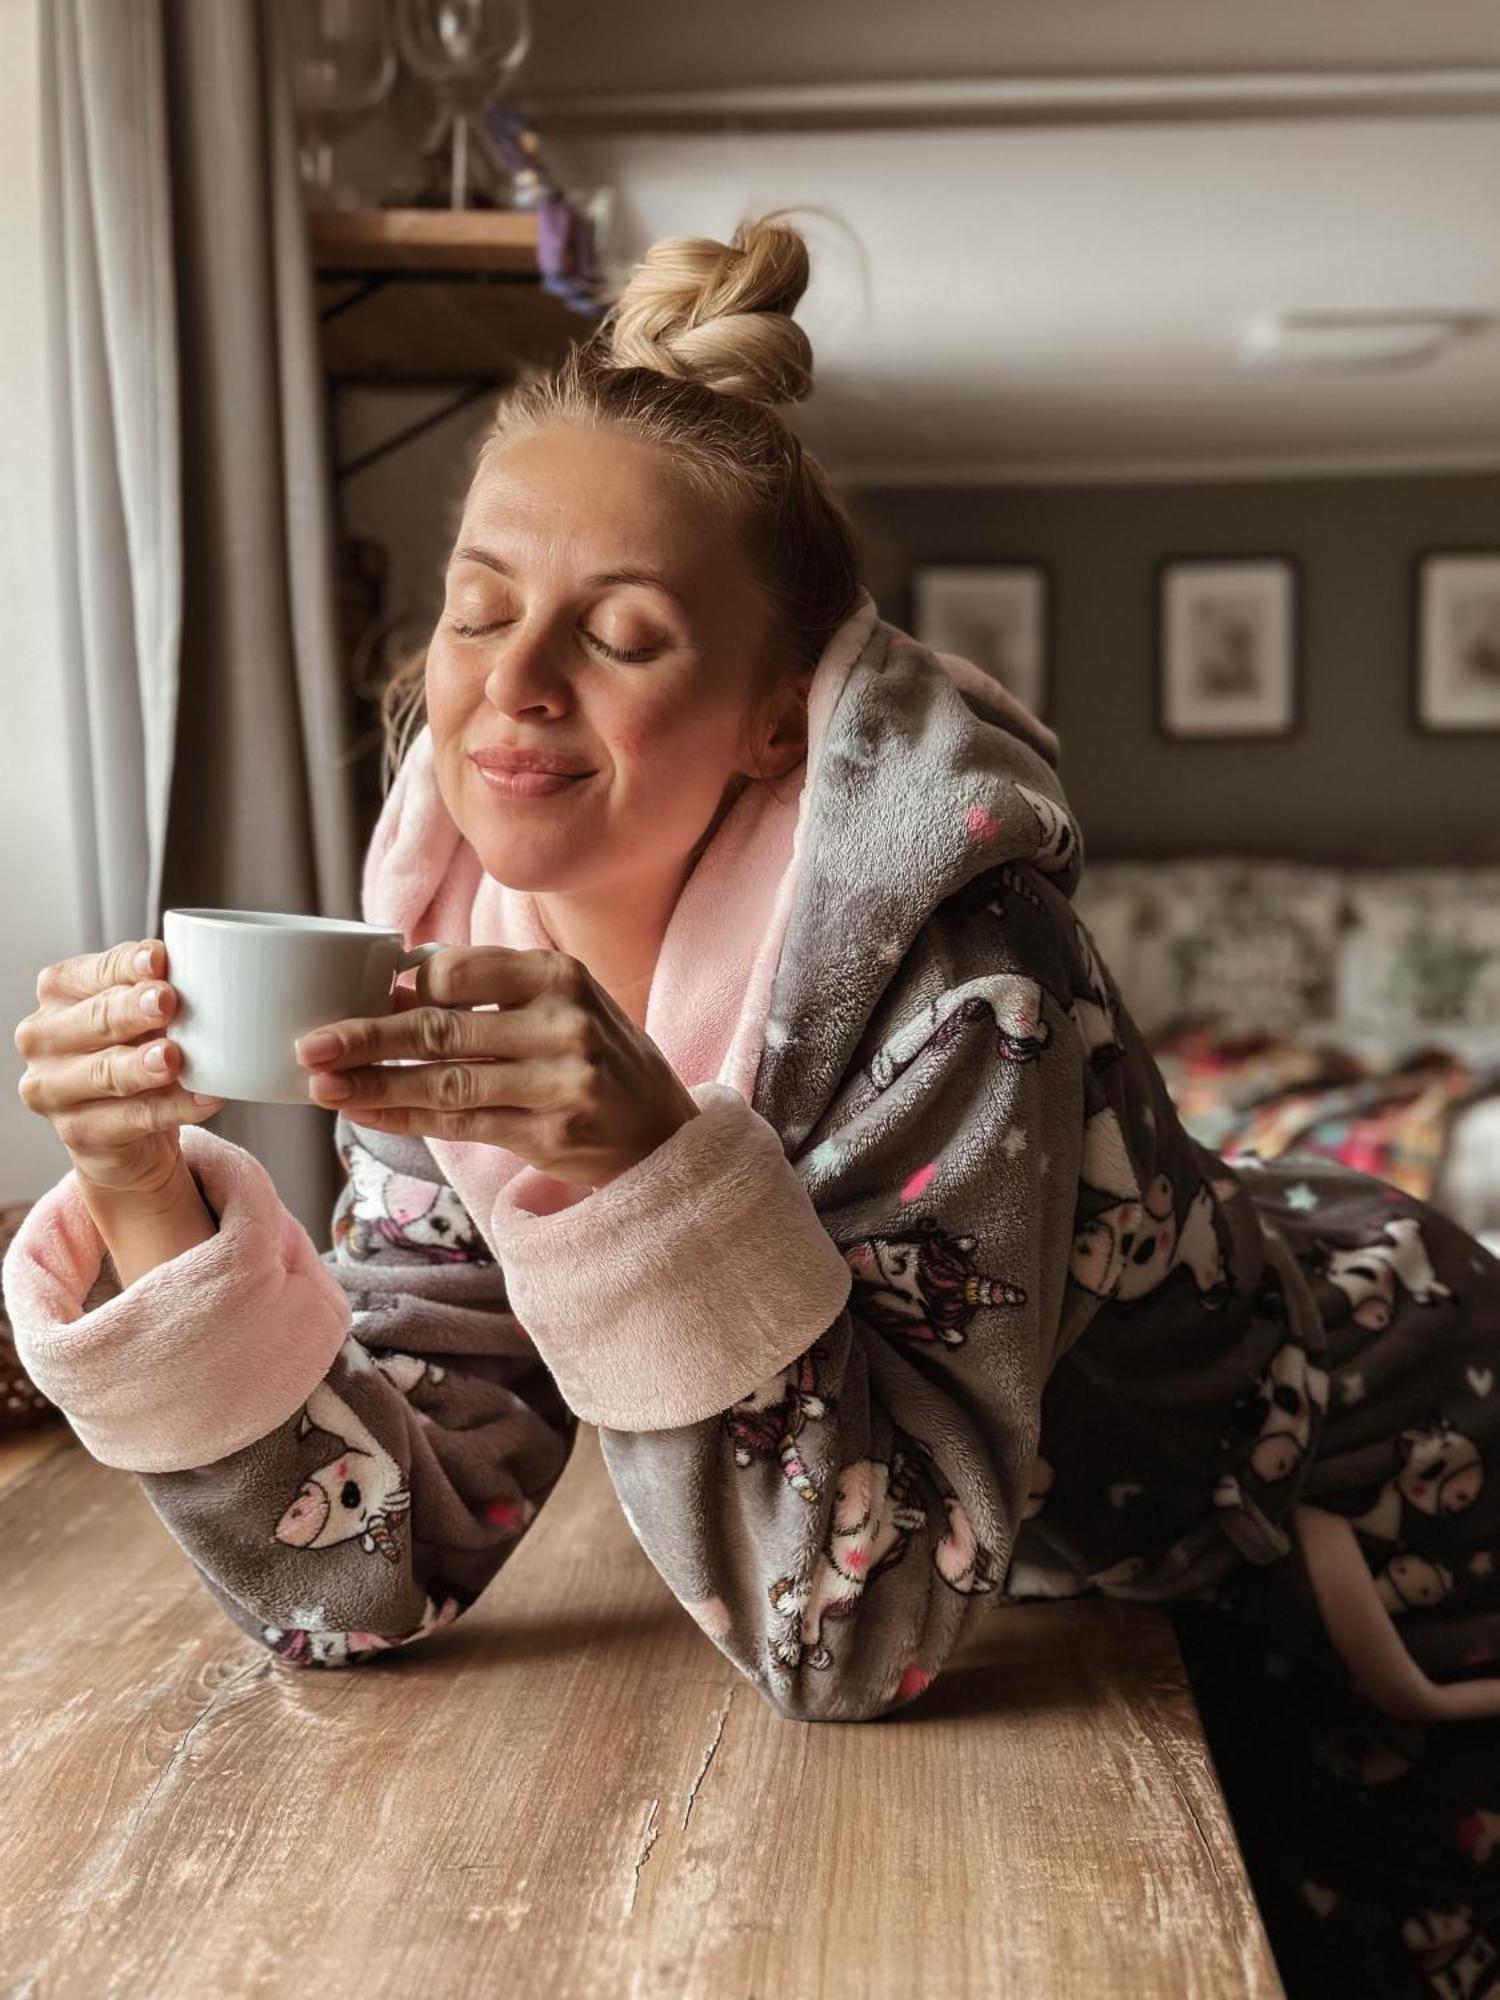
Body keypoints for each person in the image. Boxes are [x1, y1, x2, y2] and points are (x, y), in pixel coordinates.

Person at [7, 212, 1500, 1999]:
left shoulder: (964, 978)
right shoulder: (446, 950)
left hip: (1361, 1470)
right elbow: (376, 1563)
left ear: (778, 725)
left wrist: (647, 1168)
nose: (518, 677)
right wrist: (144, 1199)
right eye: (482, 604)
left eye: (622, 635)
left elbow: (858, 1636)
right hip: (1051, 1568)